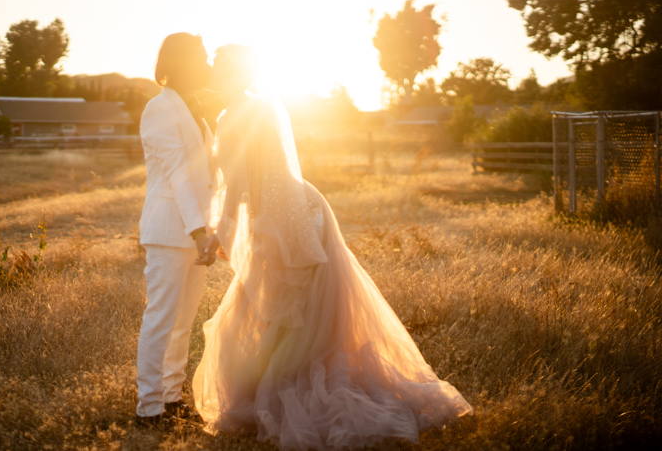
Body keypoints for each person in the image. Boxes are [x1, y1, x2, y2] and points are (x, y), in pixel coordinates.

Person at [193, 45, 473, 450]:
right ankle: (271, 381)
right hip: (300, 209)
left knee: (282, 311)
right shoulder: (253, 108)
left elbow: (236, 184)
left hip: (281, 220)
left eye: (221, 70)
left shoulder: (234, 115)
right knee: (296, 311)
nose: (215, 77)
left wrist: (221, 232)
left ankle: (273, 390)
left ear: (235, 76)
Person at [135, 33, 217, 425]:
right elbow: (179, 177)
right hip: (170, 231)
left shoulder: (195, 110)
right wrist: (200, 230)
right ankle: (148, 407)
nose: (207, 64)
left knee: (184, 322)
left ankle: (171, 397)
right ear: (182, 62)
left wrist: (212, 229)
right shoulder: (159, 108)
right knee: (160, 318)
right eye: (201, 57)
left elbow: (207, 178)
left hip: (196, 233)